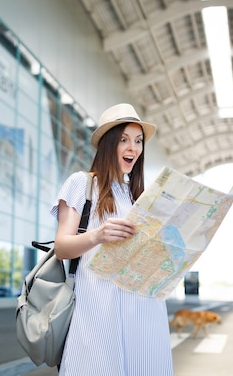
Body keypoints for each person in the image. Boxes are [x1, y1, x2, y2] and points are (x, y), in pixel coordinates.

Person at [51, 103, 174, 376]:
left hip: (144, 307)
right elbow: (61, 247)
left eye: (138, 141)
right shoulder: (81, 184)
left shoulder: (140, 195)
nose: (133, 148)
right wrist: (98, 235)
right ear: (108, 144)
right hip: (98, 307)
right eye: (124, 140)